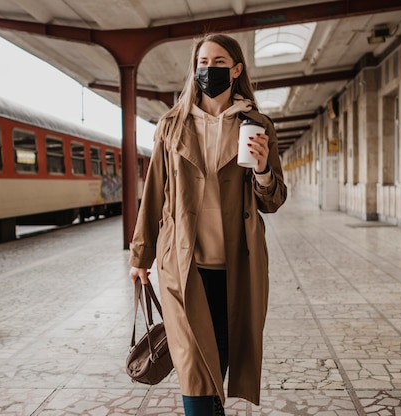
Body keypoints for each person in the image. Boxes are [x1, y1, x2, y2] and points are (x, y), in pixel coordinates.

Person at [128, 33, 287, 416]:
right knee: (195, 370)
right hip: (183, 268)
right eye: (202, 63)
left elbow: (274, 200)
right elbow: (153, 195)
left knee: (222, 364)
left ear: (236, 70)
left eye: (219, 63)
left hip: (238, 267)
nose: (209, 70)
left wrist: (264, 168)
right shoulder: (171, 125)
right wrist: (140, 257)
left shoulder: (256, 124)